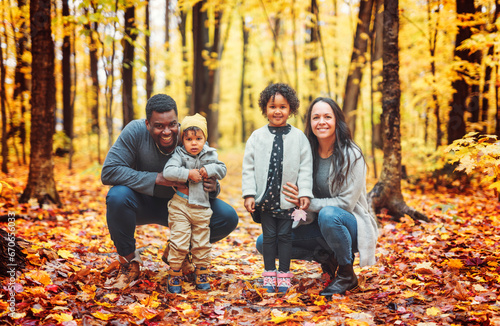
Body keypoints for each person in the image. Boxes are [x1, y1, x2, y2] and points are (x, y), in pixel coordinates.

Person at [101, 94, 238, 284]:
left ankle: (177, 251)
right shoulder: (135, 131)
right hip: (142, 202)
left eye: (172, 124)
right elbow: (109, 171)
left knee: (227, 216)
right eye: (159, 126)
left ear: (178, 122)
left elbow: (211, 178)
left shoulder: (191, 136)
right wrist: (156, 178)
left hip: (184, 206)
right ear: (148, 123)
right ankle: (128, 263)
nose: (167, 131)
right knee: (117, 196)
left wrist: (213, 186)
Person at [256, 97, 378, 296]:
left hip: (350, 225)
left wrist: (309, 204)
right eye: (316, 117)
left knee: (329, 214)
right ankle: (327, 256)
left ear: (337, 120)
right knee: (264, 242)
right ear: (310, 123)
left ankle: (347, 274)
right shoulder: (306, 153)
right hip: (316, 225)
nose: (322, 122)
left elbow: (346, 204)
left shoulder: (352, 154)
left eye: (327, 116)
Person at [242, 83, 313, 293]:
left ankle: (283, 274)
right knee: (269, 237)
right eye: (273, 106)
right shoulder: (257, 136)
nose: (278, 111)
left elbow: (306, 167)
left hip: (287, 200)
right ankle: (269, 273)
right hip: (265, 200)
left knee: (285, 237)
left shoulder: (299, 137)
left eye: (283, 106)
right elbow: (248, 166)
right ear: (265, 109)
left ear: (291, 109)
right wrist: (249, 194)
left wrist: (305, 192)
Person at [163, 113, 227, 293]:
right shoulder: (179, 154)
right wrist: (187, 174)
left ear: (205, 138)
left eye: (198, 138)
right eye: (189, 138)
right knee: (179, 241)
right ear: (182, 138)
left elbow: (222, 169)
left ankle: (202, 273)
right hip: (180, 206)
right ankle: (175, 273)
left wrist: (210, 169)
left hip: (202, 207)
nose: (194, 143)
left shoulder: (211, 154)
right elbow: (168, 172)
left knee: (201, 243)